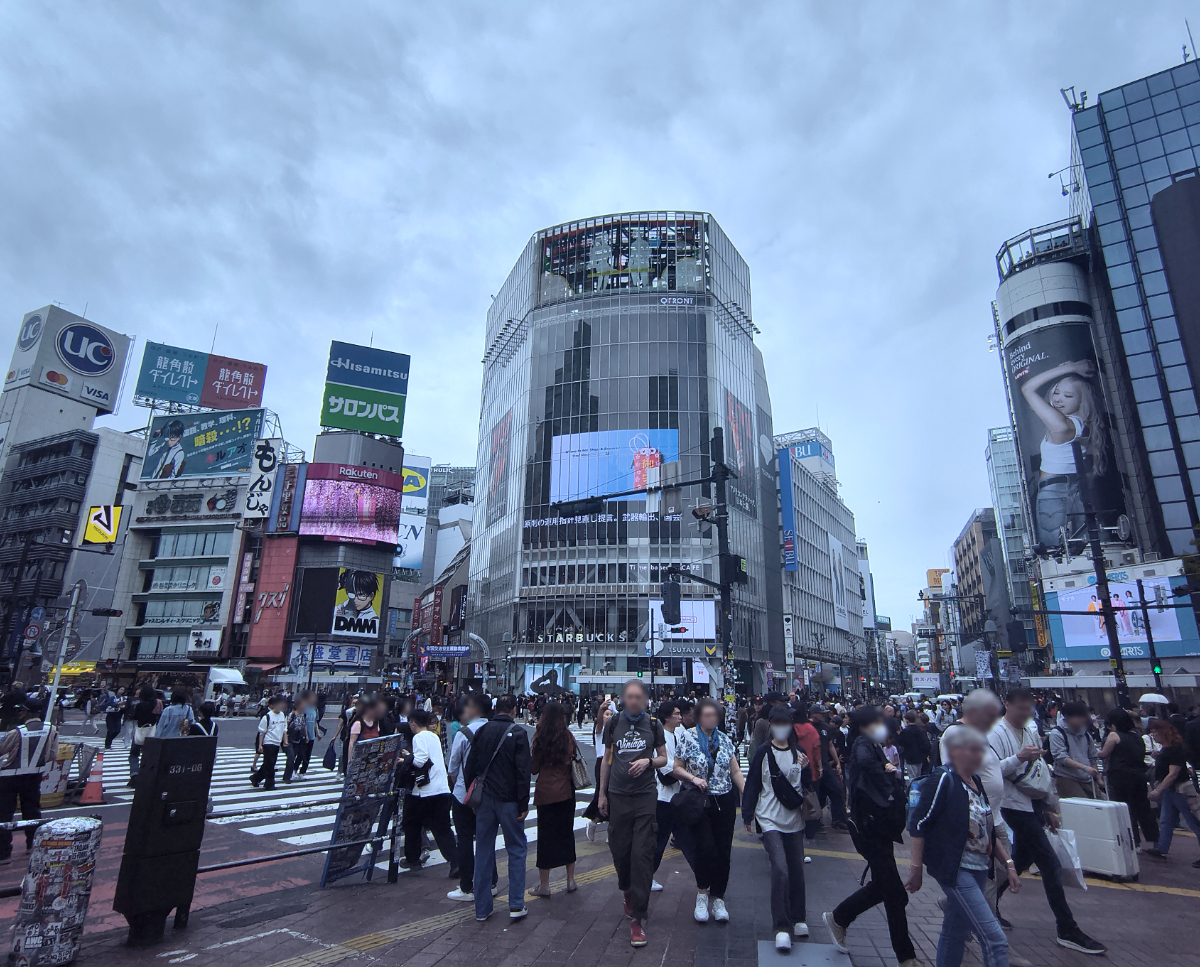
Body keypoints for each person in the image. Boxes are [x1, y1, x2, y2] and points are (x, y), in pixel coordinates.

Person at [988, 688, 1104, 954]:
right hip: (1012, 804)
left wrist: (1047, 806)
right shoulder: (995, 733)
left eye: (1030, 708)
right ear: (1007, 705)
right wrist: (1019, 757)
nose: (1026, 712)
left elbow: (1041, 769)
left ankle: (980, 903)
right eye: (1021, 707)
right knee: (1050, 865)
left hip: (1032, 802)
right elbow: (991, 770)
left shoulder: (1029, 730)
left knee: (1020, 862)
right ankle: (1066, 928)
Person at [906, 725, 1019, 967]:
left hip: (979, 867)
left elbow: (987, 829)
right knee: (995, 939)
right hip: (957, 869)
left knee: (955, 930)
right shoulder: (943, 779)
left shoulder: (976, 782)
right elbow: (918, 824)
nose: (980, 756)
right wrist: (916, 868)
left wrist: (1008, 864)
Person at [823, 706, 918, 967]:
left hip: (877, 829)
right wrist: (885, 767)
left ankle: (840, 917)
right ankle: (906, 957)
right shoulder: (864, 744)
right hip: (871, 829)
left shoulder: (869, 744)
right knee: (895, 893)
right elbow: (865, 763)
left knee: (886, 888)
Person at [600, 680, 667, 948]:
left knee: (642, 854)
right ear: (622, 699)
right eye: (629, 697)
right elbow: (607, 759)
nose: (634, 701)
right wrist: (601, 794)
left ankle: (637, 919)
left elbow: (664, 758)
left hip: (645, 796)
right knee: (620, 849)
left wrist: (648, 761)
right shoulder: (613, 724)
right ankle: (626, 889)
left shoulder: (653, 724)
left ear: (645, 699)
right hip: (618, 795)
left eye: (639, 697)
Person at [742, 706, 810, 952]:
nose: (782, 726)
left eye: (786, 722)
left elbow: (809, 785)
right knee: (779, 868)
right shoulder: (763, 751)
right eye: (777, 722)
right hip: (769, 817)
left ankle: (799, 917)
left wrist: (805, 768)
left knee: (796, 869)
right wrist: (747, 814)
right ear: (770, 724)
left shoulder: (799, 752)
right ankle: (781, 926)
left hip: (794, 820)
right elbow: (752, 784)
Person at [1020, 357, 1106, 545]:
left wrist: (1072, 367)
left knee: (1056, 553)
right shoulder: (1082, 424)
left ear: (1082, 400)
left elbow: (1027, 389)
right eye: (1056, 393)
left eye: (1068, 396)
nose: (1058, 399)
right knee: (1081, 548)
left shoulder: (1061, 426)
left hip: (1054, 491)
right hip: (1076, 488)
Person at [674, 696, 744, 926]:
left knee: (724, 850)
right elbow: (677, 768)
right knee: (705, 848)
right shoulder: (688, 737)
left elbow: (735, 772)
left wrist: (748, 796)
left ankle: (719, 898)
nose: (711, 718)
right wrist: (693, 778)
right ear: (698, 716)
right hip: (699, 801)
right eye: (707, 714)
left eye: (715, 714)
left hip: (724, 801)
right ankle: (702, 893)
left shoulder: (724, 740)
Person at [463, 694, 531, 923]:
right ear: (513, 710)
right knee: (516, 849)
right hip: (510, 800)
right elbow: (523, 772)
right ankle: (516, 904)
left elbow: (469, 766)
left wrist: (473, 796)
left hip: (484, 800)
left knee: (483, 849)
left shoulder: (481, 731)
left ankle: (482, 908)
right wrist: (524, 802)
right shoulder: (519, 733)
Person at [447, 693, 497, 902]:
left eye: (467, 707)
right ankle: (491, 882)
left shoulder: (464, 733)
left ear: (475, 709)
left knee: (465, 839)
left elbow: (453, 767)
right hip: (490, 793)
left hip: (464, 795)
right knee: (486, 839)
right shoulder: (496, 731)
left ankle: (467, 886)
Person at [528, 701, 578, 895]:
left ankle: (545, 885)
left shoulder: (541, 739)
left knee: (546, 838)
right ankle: (571, 880)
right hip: (566, 790)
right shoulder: (568, 737)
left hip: (546, 793)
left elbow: (533, 768)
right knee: (567, 834)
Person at [403, 709, 459, 871]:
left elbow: (420, 761)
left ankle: (412, 859)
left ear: (413, 723)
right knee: (442, 829)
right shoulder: (433, 736)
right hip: (442, 788)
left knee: (411, 824)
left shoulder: (419, 737)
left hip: (424, 791)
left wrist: (406, 759)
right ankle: (456, 862)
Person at [1141, 717, 1200, 864]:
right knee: (1166, 820)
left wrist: (1157, 790)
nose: (1153, 735)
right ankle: (1161, 848)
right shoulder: (1168, 749)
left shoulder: (1173, 750)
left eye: (1155, 732)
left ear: (1164, 732)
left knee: (1193, 822)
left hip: (1178, 789)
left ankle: (1161, 848)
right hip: (1171, 790)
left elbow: (1172, 774)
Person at [1099, 708, 1159, 847]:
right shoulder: (1138, 735)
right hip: (1138, 775)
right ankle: (1154, 838)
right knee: (1143, 808)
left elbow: (1103, 754)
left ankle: (1133, 841)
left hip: (1120, 777)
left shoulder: (1114, 736)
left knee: (1125, 809)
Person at [651, 701, 686, 890]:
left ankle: (704, 882)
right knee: (659, 841)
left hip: (677, 795)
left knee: (687, 841)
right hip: (663, 797)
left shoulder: (680, 732)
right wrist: (691, 776)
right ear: (667, 717)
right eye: (677, 714)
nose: (680, 717)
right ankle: (646, 877)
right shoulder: (661, 736)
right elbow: (668, 767)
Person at [1048, 701, 1100, 800]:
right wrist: (1084, 768)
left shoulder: (1085, 734)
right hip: (1067, 777)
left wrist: (1096, 775)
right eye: (1080, 717)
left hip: (1087, 778)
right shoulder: (1057, 733)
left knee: (1099, 806)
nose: (1084, 720)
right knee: (1080, 809)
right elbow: (1061, 757)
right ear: (1068, 717)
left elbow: (1092, 756)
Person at [810, 705, 847, 830]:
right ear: (814, 714)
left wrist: (837, 763)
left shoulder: (826, 727)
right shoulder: (808, 727)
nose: (824, 715)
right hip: (813, 765)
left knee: (836, 789)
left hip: (825, 764)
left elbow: (830, 745)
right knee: (817, 794)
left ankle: (838, 819)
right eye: (821, 713)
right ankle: (814, 820)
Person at [583, 699, 613, 840]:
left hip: (614, 763)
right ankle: (594, 822)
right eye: (607, 714)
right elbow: (600, 723)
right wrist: (601, 709)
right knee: (602, 794)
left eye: (611, 714)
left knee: (614, 795)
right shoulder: (599, 731)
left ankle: (610, 829)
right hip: (602, 762)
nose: (609, 716)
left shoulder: (615, 731)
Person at [251, 695, 288, 790]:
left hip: (277, 742)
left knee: (269, 763)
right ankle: (269, 783)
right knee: (270, 763)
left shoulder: (282, 715)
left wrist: (285, 741)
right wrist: (260, 744)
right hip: (268, 742)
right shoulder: (267, 716)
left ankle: (255, 778)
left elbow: (284, 730)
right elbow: (262, 732)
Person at [128, 685, 159, 787]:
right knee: (148, 756)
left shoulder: (141, 705)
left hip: (141, 731)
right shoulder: (157, 703)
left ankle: (134, 775)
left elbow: (134, 717)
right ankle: (146, 776)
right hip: (152, 732)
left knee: (134, 755)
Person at [897, 710, 931, 783]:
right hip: (919, 756)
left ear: (907, 720)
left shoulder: (905, 732)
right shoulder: (919, 730)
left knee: (912, 777)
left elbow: (900, 743)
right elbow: (926, 744)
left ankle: (913, 791)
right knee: (918, 776)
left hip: (909, 757)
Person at [283, 695, 308, 784]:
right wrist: (284, 738)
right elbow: (285, 725)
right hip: (290, 738)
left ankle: (288, 775)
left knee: (295, 756)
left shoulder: (302, 715)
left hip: (298, 739)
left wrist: (306, 736)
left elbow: (304, 726)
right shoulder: (292, 714)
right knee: (291, 757)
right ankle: (287, 777)